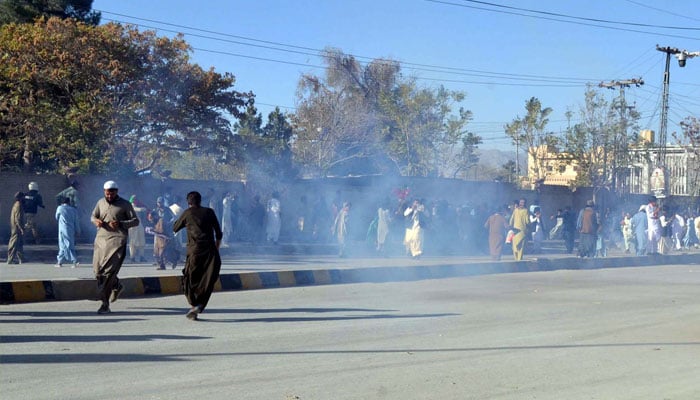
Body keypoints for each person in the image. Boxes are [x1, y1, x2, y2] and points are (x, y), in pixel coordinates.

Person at [91, 180, 140, 314]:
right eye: (107, 194)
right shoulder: (100, 202)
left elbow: (135, 221)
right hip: (101, 240)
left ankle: (104, 304)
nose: (109, 196)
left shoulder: (125, 204)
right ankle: (117, 285)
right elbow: (93, 216)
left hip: (117, 241)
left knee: (108, 273)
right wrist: (97, 221)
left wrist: (120, 223)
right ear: (104, 192)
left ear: (116, 192)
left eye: (112, 194)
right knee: (97, 272)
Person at [173, 191, 223, 321]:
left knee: (190, 278)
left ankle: (193, 304)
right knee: (208, 280)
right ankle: (199, 305)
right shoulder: (209, 212)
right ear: (200, 201)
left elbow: (175, 228)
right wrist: (216, 248)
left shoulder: (187, 213)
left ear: (188, 202)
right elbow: (218, 233)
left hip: (194, 252)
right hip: (210, 252)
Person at [55, 197, 81, 268]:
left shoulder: (60, 208)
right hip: (71, 230)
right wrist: (78, 230)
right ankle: (59, 261)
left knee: (65, 245)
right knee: (67, 245)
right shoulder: (73, 210)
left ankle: (75, 261)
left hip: (62, 229)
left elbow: (56, 217)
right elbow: (76, 221)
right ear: (69, 202)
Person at [128, 195, 148, 263]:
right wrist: (145, 208)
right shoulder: (131, 206)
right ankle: (132, 257)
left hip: (138, 225)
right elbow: (138, 209)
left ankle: (141, 257)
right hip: (133, 226)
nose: (135, 200)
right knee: (133, 243)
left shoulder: (135, 205)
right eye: (134, 199)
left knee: (141, 242)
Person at [7, 192, 25, 264]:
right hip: (17, 228)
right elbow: (18, 218)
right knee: (14, 243)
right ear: (20, 197)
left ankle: (21, 259)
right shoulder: (18, 205)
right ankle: (10, 259)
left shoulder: (16, 205)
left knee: (19, 243)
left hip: (15, 227)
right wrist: (21, 228)